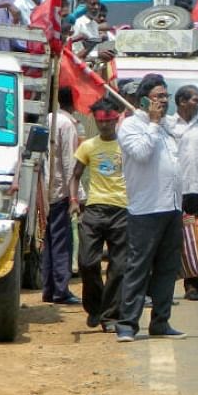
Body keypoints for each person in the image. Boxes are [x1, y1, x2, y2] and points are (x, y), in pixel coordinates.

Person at [116, 74, 187, 342]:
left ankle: (161, 321)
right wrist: (154, 123)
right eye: (159, 97)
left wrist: (162, 123)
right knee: (138, 267)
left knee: (168, 268)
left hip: (171, 206)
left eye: (166, 96)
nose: (164, 102)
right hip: (145, 209)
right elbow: (142, 153)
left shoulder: (169, 127)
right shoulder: (131, 127)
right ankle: (127, 324)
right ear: (145, 99)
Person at [73, 97, 129, 329]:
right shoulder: (88, 146)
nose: (104, 125)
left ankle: (109, 315)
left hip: (123, 209)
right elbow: (75, 175)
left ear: (116, 120)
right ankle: (94, 308)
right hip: (95, 209)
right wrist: (74, 200)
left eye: (109, 121)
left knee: (119, 267)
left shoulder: (127, 146)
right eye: (100, 121)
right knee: (87, 261)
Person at [171, 85, 198, 300]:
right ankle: (166, 284)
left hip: (197, 190)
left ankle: (194, 286)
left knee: (195, 237)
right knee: (173, 237)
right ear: (181, 101)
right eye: (194, 100)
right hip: (173, 190)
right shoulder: (169, 125)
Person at [43, 87, 81, 306]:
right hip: (60, 190)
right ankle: (60, 290)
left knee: (50, 241)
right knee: (61, 242)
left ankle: (49, 288)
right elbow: (69, 163)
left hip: (47, 188)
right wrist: (75, 195)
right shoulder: (67, 124)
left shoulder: (48, 119)